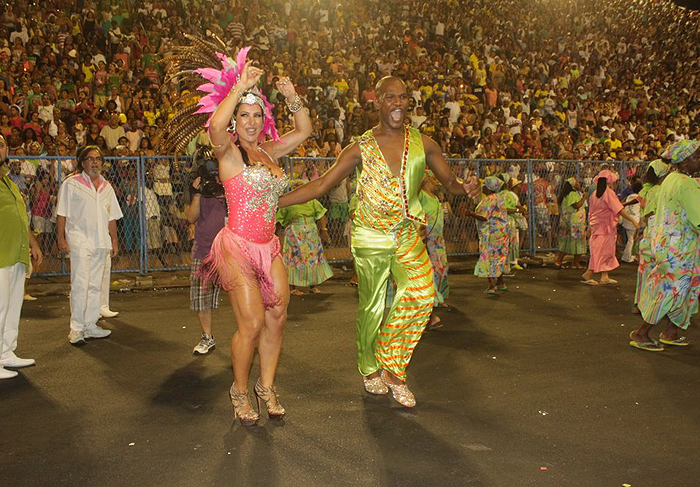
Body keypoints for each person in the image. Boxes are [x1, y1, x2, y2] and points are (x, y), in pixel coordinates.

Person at [278, 76, 479, 408]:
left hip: (406, 233)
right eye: (390, 97)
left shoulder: (424, 143)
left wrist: (466, 187)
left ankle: (393, 367)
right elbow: (321, 186)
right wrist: (275, 202)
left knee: (423, 292)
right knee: (371, 306)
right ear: (377, 103)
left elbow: (450, 183)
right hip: (370, 236)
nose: (398, 103)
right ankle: (370, 370)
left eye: (403, 97)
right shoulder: (359, 147)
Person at [162, 42, 312, 425]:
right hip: (237, 247)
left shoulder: (269, 152)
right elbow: (214, 125)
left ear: (263, 119)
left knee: (277, 315)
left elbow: (305, 130)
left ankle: (266, 386)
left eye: (255, 114)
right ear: (235, 120)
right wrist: (239, 86)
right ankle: (240, 390)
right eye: (243, 115)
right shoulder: (228, 153)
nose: (249, 121)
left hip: (268, 245)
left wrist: (292, 97)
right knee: (252, 323)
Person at [630, 141, 700, 351]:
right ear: (686, 161)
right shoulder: (686, 184)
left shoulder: (670, 179)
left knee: (684, 289)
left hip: (670, 245)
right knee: (671, 290)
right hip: (678, 249)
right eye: (697, 156)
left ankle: (670, 331)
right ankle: (640, 333)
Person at [56, 145, 122, 346]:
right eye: (90, 158)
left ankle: (90, 325)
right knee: (80, 284)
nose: (95, 162)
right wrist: (61, 238)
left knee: (95, 285)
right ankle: (76, 328)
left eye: (98, 159)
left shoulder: (107, 186)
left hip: (101, 241)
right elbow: (62, 213)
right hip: (79, 240)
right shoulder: (71, 184)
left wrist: (114, 240)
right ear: (82, 162)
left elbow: (112, 216)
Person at [0, 133, 42, 379]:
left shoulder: (9, 181)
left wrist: (33, 243)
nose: (0, 149)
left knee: (13, 305)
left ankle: (6, 352)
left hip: (15, 254)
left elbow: (19, 216)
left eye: (2, 145)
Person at [185, 147, 227, 355]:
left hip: (230, 251)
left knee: (242, 293)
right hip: (204, 249)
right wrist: (198, 193)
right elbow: (191, 217)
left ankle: (250, 333)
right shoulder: (197, 188)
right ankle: (207, 337)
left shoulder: (230, 184)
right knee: (201, 296)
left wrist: (224, 189)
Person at [580, 170, 639, 286]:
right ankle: (591, 273)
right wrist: (633, 220)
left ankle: (603, 275)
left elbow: (591, 212)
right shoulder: (608, 193)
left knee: (600, 250)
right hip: (606, 227)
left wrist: (589, 227)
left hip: (597, 226)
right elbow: (619, 209)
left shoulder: (594, 194)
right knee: (604, 251)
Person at [276, 180, 333, 295]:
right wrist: (275, 235)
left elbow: (321, 215)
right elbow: (278, 220)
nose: (298, 188)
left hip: (311, 235)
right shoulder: (288, 202)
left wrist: (324, 230)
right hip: (294, 234)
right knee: (294, 258)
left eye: (301, 186)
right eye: (296, 186)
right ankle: (292, 288)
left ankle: (313, 285)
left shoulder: (312, 201)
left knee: (312, 258)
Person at [632, 160, 670, 315]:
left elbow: (643, 208)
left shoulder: (647, 189)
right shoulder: (660, 190)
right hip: (658, 235)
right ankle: (656, 306)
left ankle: (639, 303)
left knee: (644, 271)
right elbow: (653, 215)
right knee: (661, 272)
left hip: (648, 236)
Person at [468, 176, 509, 294]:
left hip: (491, 233)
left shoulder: (489, 199)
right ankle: (501, 282)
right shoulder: (498, 198)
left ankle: (492, 285)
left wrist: (470, 214)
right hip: (501, 232)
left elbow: (483, 216)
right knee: (498, 256)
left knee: (488, 257)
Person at [419, 171, 448, 329]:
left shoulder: (435, 197)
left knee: (440, 269)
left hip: (437, 241)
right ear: (426, 179)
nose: (437, 181)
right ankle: (429, 313)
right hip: (427, 241)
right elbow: (419, 216)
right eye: (434, 178)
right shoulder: (421, 196)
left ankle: (436, 300)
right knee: (427, 274)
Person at [554, 177, 587, 269]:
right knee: (578, 243)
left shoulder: (568, 194)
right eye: (577, 183)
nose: (579, 184)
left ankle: (559, 261)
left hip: (568, 222)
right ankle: (575, 262)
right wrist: (584, 197)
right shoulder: (572, 194)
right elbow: (576, 205)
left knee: (567, 242)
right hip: (575, 223)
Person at [620, 178, 643, 263]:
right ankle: (628, 256)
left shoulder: (629, 196)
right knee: (632, 239)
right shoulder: (639, 198)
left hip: (627, 220)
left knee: (630, 239)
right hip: (635, 220)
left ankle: (629, 255)